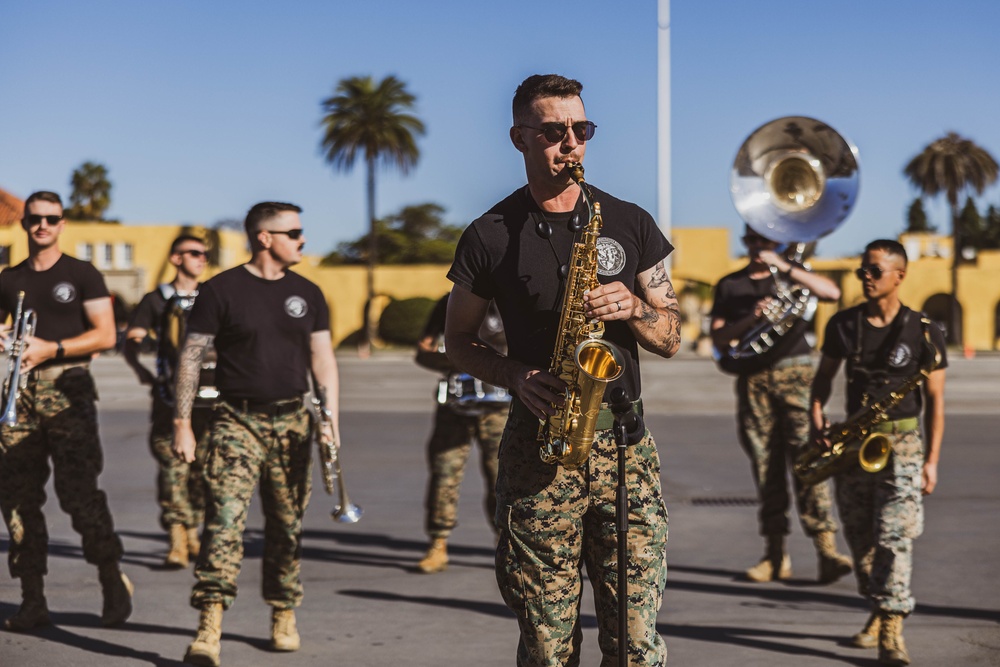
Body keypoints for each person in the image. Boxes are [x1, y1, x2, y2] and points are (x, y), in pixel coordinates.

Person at [445, 74, 680, 667]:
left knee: (635, 643)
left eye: (582, 129)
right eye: (554, 131)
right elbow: (458, 342)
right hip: (539, 442)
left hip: (624, 444)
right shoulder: (488, 235)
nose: (571, 143)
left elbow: (672, 336)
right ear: (520, 137)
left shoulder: (626, 220)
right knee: (547, 645)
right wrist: (516, 376)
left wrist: (635, 307)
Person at [173, 202, 341, 666]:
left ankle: (283, 612)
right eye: (294, 232)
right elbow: (190, 357)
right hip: (235, 421)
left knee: (287, 524)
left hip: (292, 422)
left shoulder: (309, 292)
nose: (302, 240)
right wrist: (182, 422)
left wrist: (331, 422)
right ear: (264, 237)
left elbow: (322, 358)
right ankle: (209, 627)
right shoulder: (220, 290)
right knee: (224, 523)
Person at [0, 190, 133, 631]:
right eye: (35, 218)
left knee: (78, 495)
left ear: (62, 223)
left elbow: (106, 334)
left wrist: (51, 347)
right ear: (25, 224)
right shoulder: (9, 277)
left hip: (69, 390)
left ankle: (111, 578)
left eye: (51, 219)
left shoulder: (82, 274)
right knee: (17, 497)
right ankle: (32, 598)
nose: (43, 226)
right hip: (21, 394)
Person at [810, 239, 946, 666]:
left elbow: (938, 403)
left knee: (894, 536)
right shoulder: (844, 324)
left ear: (899, 276)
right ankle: (876, 606)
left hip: (903, 441)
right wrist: (817, 416)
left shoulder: (925, 329)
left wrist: (931, 461)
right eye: (862, 271)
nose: (865, 277)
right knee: (861, 538)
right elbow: (823, 379)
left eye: (875, 271)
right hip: (855, 443)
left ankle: (891, 627)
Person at [709, 225, 853, 584]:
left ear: (778, 243)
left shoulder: (793, 276)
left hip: (797, 377)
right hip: (754, 381)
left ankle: (826, 551)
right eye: (752, 241)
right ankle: (775, 556)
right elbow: (718, 336)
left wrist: (783, 265)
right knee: (765, 467)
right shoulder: (730, 284)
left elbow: (831, 292)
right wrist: (753, 318)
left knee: (809, 461)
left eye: (766, 241)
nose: (758, 247)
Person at [123, 234, 212, 568]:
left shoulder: (211, 297)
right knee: (173, 469)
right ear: (176, 258)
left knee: (203, 472)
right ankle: (178, 538)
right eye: (194, 253)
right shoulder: (156, 299)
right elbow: (132, 340)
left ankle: (192, 530)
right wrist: (141, 371)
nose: (201, 259)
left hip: (208, 402)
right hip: (169, 399)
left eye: (205, 254)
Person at [414, 294, 508, 574]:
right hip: (456, 405)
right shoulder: (449, 301)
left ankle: (505, 545)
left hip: (501, 409)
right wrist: (456, 358)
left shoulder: (513, 299)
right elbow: (422, 351)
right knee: (444, 473)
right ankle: (438, 543)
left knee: (501, 480)